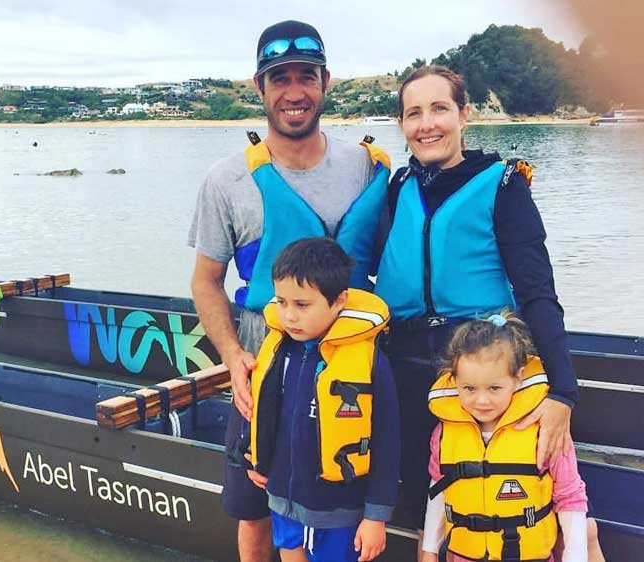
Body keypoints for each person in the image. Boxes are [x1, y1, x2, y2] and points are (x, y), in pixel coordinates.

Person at [188, 20, 390, 562]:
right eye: (279, 79)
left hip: (351, 384)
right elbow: (205, 281)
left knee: (346, 520)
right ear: (260, 88)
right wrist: (232, 356)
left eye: (307, 76)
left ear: (326, 82)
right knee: (255, 514)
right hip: (263, 377)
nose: (294, 92)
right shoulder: (225, 180)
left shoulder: (366, 169)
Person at [374, 64, 589, 557]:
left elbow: (538, 292)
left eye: (439, 109)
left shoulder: (503, 185)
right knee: (418, 493)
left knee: (510, 490)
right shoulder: (396, 187)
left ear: (464, 114)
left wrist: (563, 392)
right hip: (405, 367)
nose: (427, 124)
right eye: (414, 113)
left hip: (483, 369)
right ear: (402, 124)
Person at [243, 237, 400, 562]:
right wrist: (256, 457)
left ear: (339, 300)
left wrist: (375, 516)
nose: (289, 316)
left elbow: (387, 442)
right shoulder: (278, 349)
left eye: (302, 305)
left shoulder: (370, 362)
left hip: (336, 508)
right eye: (282, 302)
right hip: (281, 496)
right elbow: (266, 412)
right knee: (289, 552)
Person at [421, 312, 588, 562]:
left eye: (494, 388)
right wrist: (429, 550)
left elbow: (570, 497)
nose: (481, 400)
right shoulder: (444, 433)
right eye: (469, 388)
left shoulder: (547, 430)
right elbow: (439, 488)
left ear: (517, 377)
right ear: (453, 381)